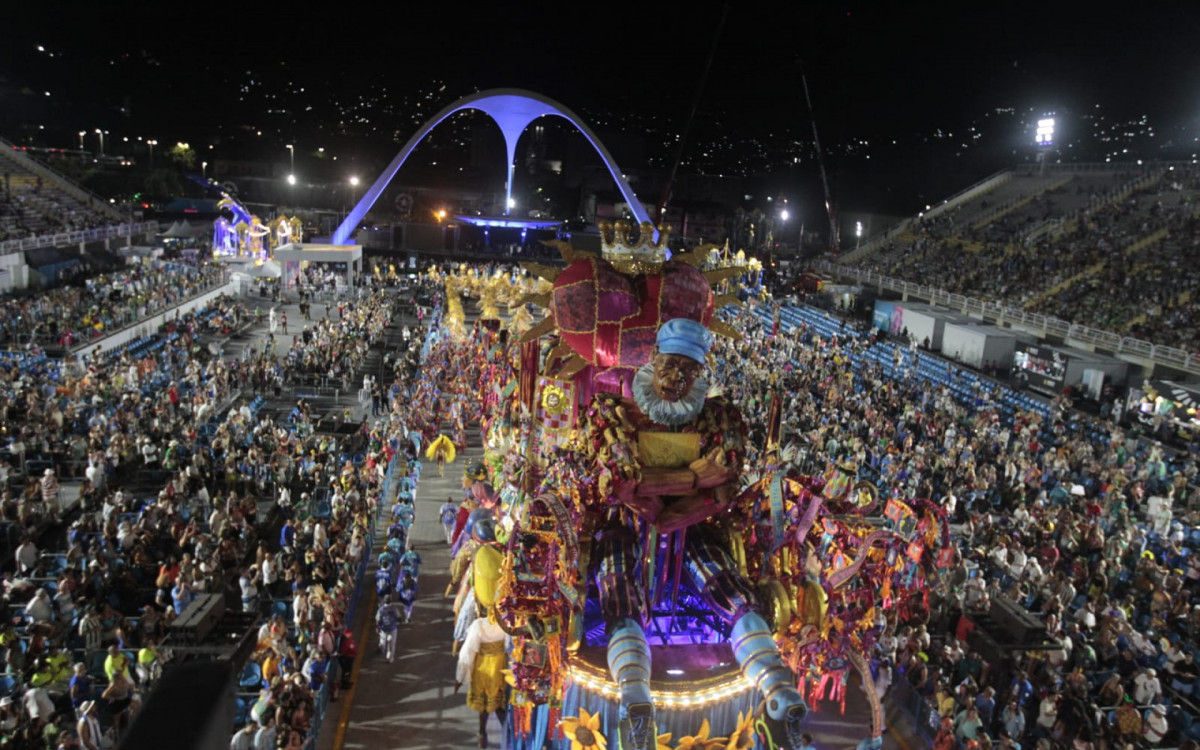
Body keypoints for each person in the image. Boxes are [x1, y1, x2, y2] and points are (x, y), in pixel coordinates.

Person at [579, 318, 809, 750]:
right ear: (652, 361)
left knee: (729, 587)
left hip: (691, 531)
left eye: (688, 371)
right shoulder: (610, 413)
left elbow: (723, 483)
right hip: (626, 529)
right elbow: (618, 483)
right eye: (669, 366)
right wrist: (691, 479)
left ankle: (778, 690)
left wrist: (658, 489)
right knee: (619, 591)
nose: (675, 379)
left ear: (700, 375)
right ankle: (635, 696)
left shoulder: (719, 418)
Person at [456, 614, 508, 749]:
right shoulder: (506, 621)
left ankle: (482, 734)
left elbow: (467, 653)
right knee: (500, 704)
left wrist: (460, 678)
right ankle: (507, 736)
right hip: (500, 667)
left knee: (484, 706)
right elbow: (509, 645)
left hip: (483, 668)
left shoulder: (478, 625)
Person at [375, 595, 402, 663]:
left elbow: (377, 620)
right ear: (391, 601)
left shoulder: (381, 609)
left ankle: (382, 649)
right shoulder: (394, 608)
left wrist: (377, 628)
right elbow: (399, 617)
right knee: (392, 645)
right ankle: (390, 659)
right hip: (393, 629)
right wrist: (398, 622)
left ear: (384, 601)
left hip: (384, 629)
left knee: (382, 643)